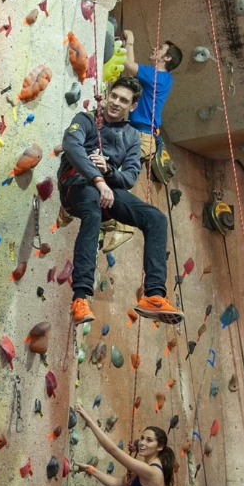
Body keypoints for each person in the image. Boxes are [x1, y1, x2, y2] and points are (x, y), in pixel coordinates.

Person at [58, 77, 183, 326]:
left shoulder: (132, 137)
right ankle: (80, 297)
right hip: (76, 186)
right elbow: (71, 146)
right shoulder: (86, 120)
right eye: (113, 96)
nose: (115, 102)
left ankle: (154, 295)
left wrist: (110, 173)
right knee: (93, 208)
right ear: (106, 94)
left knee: (156, 219)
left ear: (133, 106)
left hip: (108, 191)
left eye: (123, 100)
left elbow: (129, 177)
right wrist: (98, 178)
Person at [120, 30, 181, 161]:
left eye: (160, 48)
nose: (155, 49)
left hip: (141, 134)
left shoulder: (156, 77)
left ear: (167, 58)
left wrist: (130, 40)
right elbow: (133, 76)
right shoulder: (166, 78)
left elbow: (129, 66)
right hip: (144, 134)